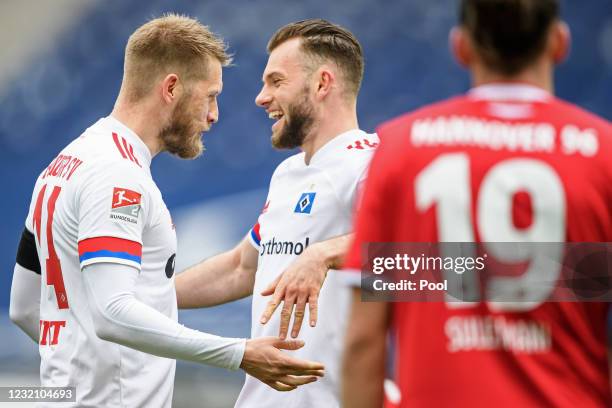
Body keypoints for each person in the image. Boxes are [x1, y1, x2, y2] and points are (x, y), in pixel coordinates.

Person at [8, 14, 324, 408]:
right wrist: (239, 353)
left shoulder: (64, 164)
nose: (214, 115)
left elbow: (23, 307)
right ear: (171, 87)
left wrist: (77, 373)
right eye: (210, 96)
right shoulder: (117, 176)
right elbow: (112, 312)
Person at [342, 0, 612, 407]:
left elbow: (363, 341)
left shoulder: (401, 149)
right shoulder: (602, 154)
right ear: (559, 42)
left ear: (461, 46)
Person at [176, 19, 377, 407]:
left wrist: (322, 254)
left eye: (276, 81)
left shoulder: (372, 162)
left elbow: (427, 253)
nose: (260, 97)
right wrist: (147, 295)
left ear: (322, 83)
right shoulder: (289, 173)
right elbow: (242, 268)